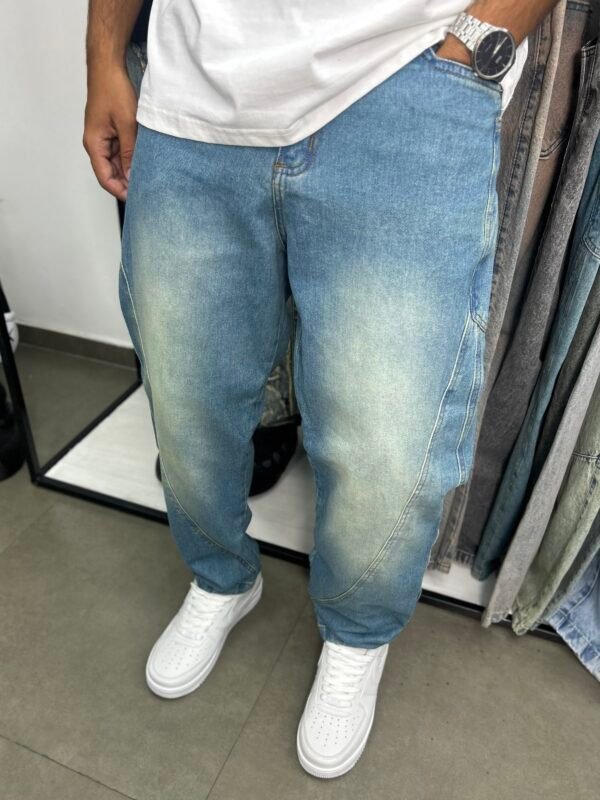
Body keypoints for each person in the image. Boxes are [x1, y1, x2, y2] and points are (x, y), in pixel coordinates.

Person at [84, 0, 559, 780]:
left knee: (386, 437)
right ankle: (221, 577)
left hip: (406, 75)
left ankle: (356, 634)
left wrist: (473, 39)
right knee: (185, 395)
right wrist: (104, 56)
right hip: (192, 94)